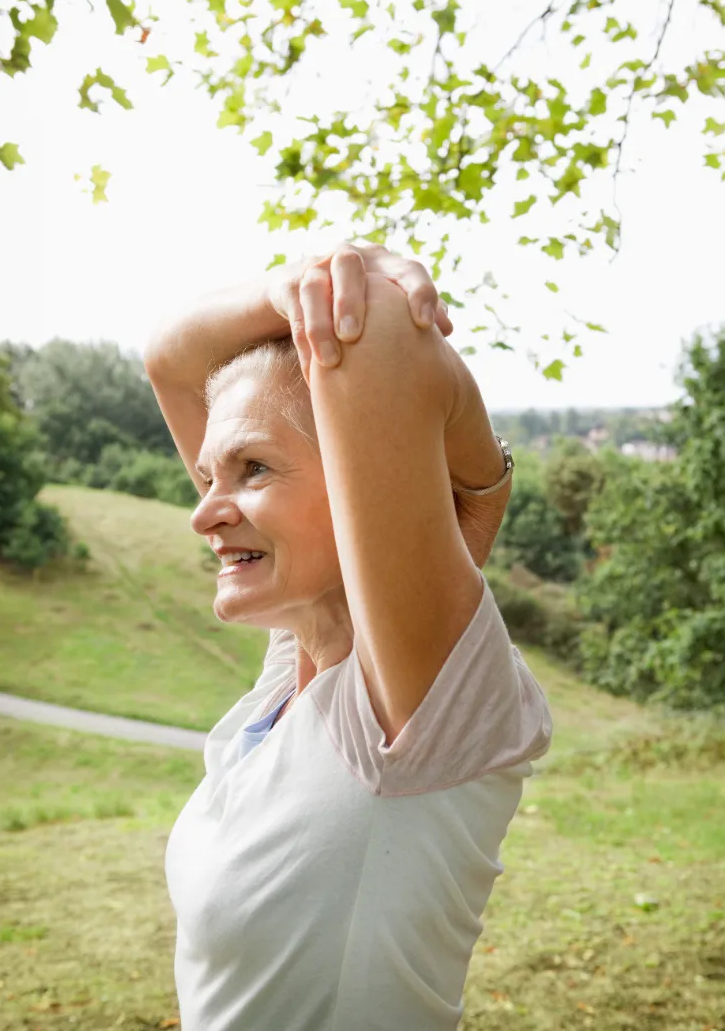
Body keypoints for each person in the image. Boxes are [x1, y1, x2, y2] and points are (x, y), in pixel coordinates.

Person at [143, 243, 552, 1031]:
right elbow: (173, 358)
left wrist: (352, 279)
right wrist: (283, 287)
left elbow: (382, 338)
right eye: (208, 477)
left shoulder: (405, 716)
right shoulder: (294, 668)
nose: (205, 510)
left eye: (252, 469)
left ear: (358, 481)